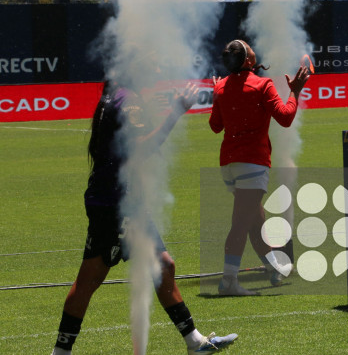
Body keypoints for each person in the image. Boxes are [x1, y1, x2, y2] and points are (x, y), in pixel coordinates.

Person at [52, 80, 237, 355]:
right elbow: (142, 147)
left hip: (120, 201)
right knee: (90, 278)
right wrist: (176, 110)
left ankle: (194, 342)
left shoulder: (114, 96)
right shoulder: (128, 98)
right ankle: (61, 352)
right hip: (117, 204)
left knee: (163, 265)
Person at [209, 39, 310, 295]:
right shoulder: (262, 84)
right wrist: (295, 91)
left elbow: (215, 126)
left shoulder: (221, 86)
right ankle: (229, 281)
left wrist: (218, 93)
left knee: (254, 220)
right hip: (252, 163)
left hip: (228, 165)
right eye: (249, 49)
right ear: (249, 61)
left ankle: (273, 268)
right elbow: (285, 117)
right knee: (241, 224)